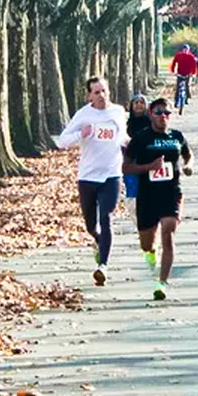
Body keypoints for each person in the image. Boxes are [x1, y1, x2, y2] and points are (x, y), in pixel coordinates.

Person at [55, 76, 128, 286]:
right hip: (87, 176)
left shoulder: (118, 112)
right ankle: (98, 241)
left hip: (112, 174)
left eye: (104, 91)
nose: (102, 96)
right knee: (90, 225)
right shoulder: (83, 115)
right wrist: (80, 133)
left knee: (106, 217)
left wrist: (133, 146)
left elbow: (122, 136)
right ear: (89, 95)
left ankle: (103, 266)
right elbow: (61, 142)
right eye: (96, 92)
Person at [122, 97, 193, 300]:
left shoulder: (177, 137)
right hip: (147, 195)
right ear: (150, 115)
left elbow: (188, 154)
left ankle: (162, 283)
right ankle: (150, 252)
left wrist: (188, 165)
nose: (163, 116)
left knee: (168, 231)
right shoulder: (141, 139)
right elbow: (125, 167)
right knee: (147, 242)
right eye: (159, 112)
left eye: (167, 113)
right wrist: (148, 168)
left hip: (171, 192)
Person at [123, 94, 152, 204]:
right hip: (130, 161)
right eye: (136, 103)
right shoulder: (126, 123)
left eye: (142, 102)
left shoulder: (152, 122)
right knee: (132, 191)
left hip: (149, 160)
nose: (139, 105)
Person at [170, 42, 198, 115]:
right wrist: (173, 71)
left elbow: (194, 67)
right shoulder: (178, 56)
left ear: (188, 50)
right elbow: (173, 63)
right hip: (180, 74)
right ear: (182, 50)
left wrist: (193, 74)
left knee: (187, 86)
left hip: (188, 74)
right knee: (178, 88)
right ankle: (176, 101)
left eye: (186, 50)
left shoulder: (191, 57)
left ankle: (187, 98)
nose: (185, 51)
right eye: (184, 49)